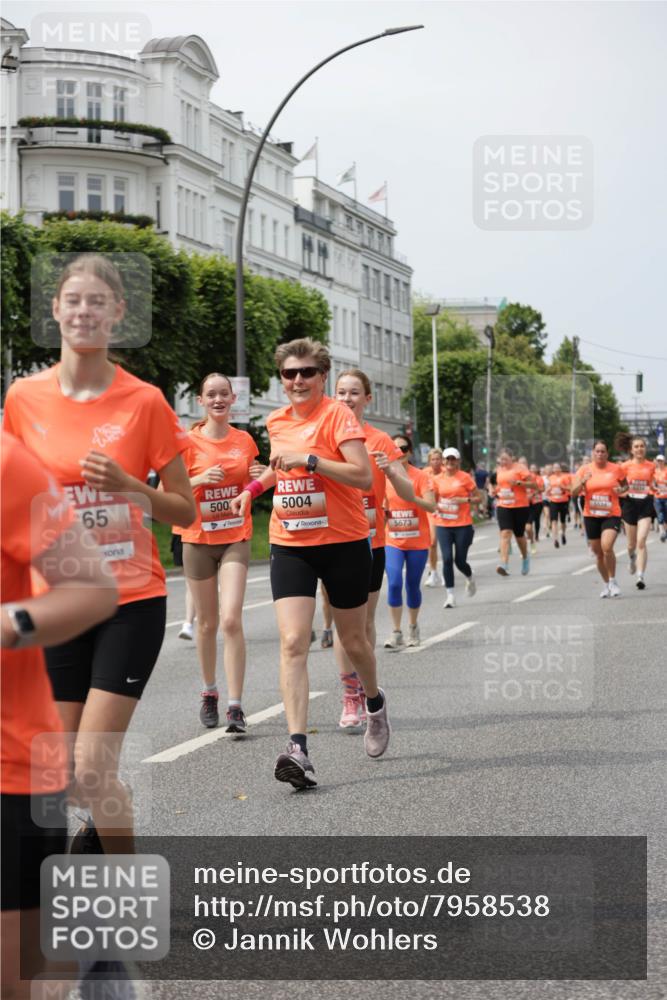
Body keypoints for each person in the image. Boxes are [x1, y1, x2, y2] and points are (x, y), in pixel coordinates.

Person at [3, 253, 195, 854]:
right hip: (56, 599)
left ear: (118, 313)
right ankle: (84, 852)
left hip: (129, 599)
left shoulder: (145, 402)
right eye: (73, 300)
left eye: (97, 302)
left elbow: (185, 510)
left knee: (91, 766)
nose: (84, 311)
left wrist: (133, 488)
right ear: (56, 310)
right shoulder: (23, 398)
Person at [232, 338, 390, 789]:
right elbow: (280, 468)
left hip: (342, 540)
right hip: (290, 541)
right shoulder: (276, 419)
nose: (297, 380)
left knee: (355, 642)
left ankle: (375, 703)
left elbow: (361, 475)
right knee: (293, 640)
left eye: (306, 373)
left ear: (323, 376)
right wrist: (251, 491)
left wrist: (313, 460)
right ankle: (298, 748)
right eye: (289, 374)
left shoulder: (338, 415)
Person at [1, 430, 117, 1000]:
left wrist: (10, 624)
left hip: (10, 768)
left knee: (17, 979)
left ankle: (91, 955)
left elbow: (93, 589)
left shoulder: (5, 463)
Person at [178, 373, 260, 731]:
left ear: (232, 399)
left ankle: (236, 706)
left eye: (223, 394)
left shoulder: (244, 441)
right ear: (201, 401)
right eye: (210, 394)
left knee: (230, 619)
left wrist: (255, 481)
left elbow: (252, 485)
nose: (217, 399)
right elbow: (168, 488)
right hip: (196, 539)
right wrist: (198, 480)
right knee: (207, 623)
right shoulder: (186, 443)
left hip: (234, 537)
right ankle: (210, 691)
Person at [332, 369, 413, 727]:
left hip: (370, 541)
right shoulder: (325, 435)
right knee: (342, 624)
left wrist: (392, 473)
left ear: (367, 399)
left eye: (354, 393)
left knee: (364, 623)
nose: (347, 399)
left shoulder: (380, 440)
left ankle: (369, 691)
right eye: (341, 392)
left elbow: (409, 492)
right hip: (332, 539)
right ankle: (350, 697)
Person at [383, 435, 436, 648]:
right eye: (394, 449)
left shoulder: (420, 477)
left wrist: (412, 497)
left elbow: (432, 507)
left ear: (410, 452)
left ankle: (413, 626)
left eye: (403, 449)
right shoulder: (384, 476)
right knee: (394, 583)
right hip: (393, 540)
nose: (399, 453)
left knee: (412, 585)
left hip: (417, 542)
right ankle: (396, 631)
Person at [571, 440, 628, 597]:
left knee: (607, 546)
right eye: (597, 451)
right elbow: (573, 492)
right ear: (592, 453)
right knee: (598, 553)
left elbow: (625, 486)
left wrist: (621, 489)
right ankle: (605, 584)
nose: (600, 454)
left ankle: (613, 581)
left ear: (607, 454)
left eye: (603, 451)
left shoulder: (616, 469)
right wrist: (582, 482)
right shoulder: (584, 470)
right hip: (592, 515)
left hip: (611, 514)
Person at [431, 447, 480, 608]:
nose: (450, 462)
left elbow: (479, 498)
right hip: (443, 524)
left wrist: (464, 500)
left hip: (463, 524)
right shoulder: (437, 479)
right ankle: (450, 595)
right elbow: (433, 500)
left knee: (460, 560)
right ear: (444, 461)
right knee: (446, 559)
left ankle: (469, 576)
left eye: (453, 459)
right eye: (447, 459)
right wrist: (435, 506)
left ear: (458, 461)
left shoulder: (465, 477)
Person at [617, 433, 656, 590]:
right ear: (631, 450)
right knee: (631, 544)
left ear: (645, 449)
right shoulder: (624, 467)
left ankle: (640, 575)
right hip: (630, 505)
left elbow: (652, 483)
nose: (640, 449)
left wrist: (655, 489)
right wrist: (621, 492)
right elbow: (619, 487)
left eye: (642, 446)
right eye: (636, 447)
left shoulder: (651, 466)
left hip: (645, 504)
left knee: (642, 541)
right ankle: (632, 558)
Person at [494, 449, 534, 576]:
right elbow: (500, 485)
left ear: (512, 458)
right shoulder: (499, 470)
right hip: (503, 505)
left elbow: (534, 485)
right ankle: (504, 564)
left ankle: (525, 557)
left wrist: (519, 482)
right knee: (505, 533)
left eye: (506, 459)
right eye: (501, 459)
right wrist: (496, 491)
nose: (503, 462)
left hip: (520, 506)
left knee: (519, 535)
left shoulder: (520, 468)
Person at [424, 447, 444, 587]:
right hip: (426, 510)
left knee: (437, 542)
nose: (435, 462)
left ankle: (439, 571)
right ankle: (433, 572)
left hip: (442, 511)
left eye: (438, 459)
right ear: (429, 461)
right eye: (433, 459)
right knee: (430, 542)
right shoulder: (424, 473)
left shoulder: (446, 473)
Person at [546, 462, 573, 548]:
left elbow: (570, 488)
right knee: (554, 521)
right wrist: (549, 490)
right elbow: (547, 489)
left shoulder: (565, 477)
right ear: (553, 470)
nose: (556, 469)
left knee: (562, 521)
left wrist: (563, 487)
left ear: (560, 469)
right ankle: (555, 539)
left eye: (558, 468)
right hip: (553, 501)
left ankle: (563, 534)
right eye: (555, 468)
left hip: (563, 501)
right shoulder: (550, 478)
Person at [526, 463, 544, 554]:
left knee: (532, 524)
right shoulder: (522, 478)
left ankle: (534, 538)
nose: (532, 470)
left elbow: (542, 488)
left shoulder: (539, 478)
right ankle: (529, 542)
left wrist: (533, 494)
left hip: (536, 503)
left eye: (534, 468)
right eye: (531, 468)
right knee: (526, 528)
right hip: (524, 504)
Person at [653, 454, 667, 541]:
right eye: (658, 461)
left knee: (666, 516)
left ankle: (665, 532)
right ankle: (662, 532)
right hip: (657, 496)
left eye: (661, 460)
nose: (659, 462)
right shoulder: (654, 472)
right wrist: (656, 488)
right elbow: (652, 484)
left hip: (666, 496)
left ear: (664, 461)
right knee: (660, 515)